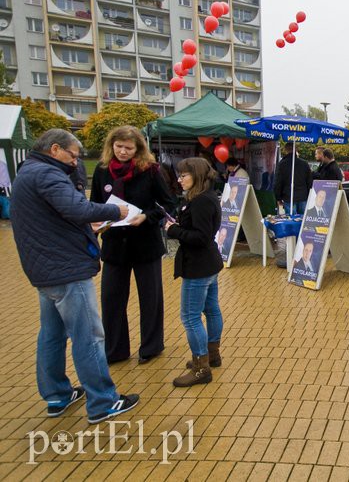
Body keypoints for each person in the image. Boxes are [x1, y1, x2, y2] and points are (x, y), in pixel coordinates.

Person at [10, 129, 140, 424]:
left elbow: (62, 213)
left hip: (44, 269)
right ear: (55, 149)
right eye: (73, 156)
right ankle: (103, 402)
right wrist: (116, 211)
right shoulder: (46, 175)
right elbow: (76, 207)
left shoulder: (28, 173)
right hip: (66, 269)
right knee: (89, 336)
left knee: (52, 334)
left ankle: (56, 394)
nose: (75, 161)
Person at [91, 126, 176, 365]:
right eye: (119, 147)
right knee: (111, 299)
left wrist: (147, 217)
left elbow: (168, 204)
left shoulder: (149, 171)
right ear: (111, 146)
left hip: (145, 244)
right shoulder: (101, 171)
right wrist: (95, 222)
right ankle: (116, 350)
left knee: (150, 298)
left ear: (139, 149)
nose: (123, 152)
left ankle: (151, 346)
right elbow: (94, 204)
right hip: (114, 245)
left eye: (129, 148)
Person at [165, 157, 225, 387]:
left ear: (197, 175)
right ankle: (211, 355)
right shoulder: (206, 197)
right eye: (179, 175)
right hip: (208, 263)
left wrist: (174, 230)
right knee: (211, 309)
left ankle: (201, 367)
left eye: (184, 175)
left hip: (199, 265)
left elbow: (200, 236)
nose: (179, 180)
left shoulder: (201, 201)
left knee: (190, 317)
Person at [274, 143, 313, 215]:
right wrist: (309, 195)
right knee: (302, 219)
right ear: (296, 150)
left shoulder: (282, 164)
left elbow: (278, 182)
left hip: (288, 196)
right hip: (303, 196)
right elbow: (309, 181)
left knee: (291, 220)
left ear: (286, 150)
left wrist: (278, 197)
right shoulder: (304, 164)